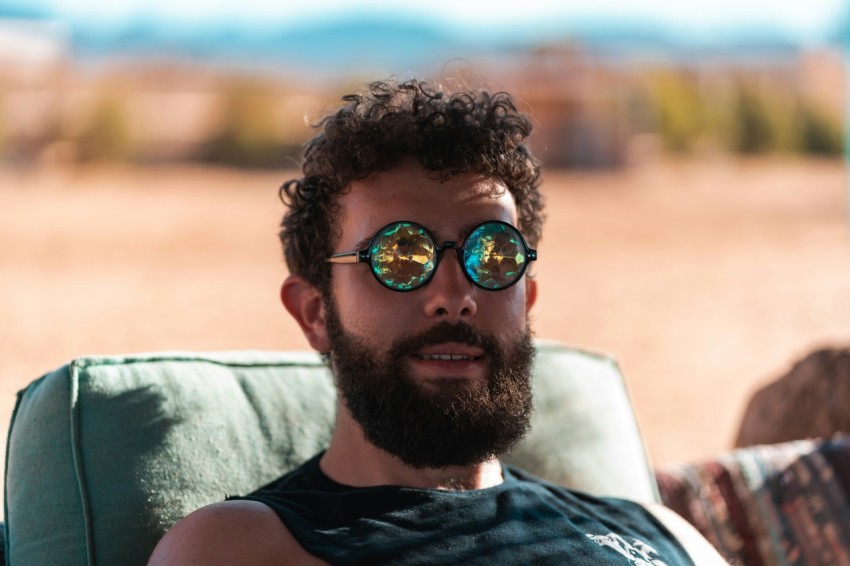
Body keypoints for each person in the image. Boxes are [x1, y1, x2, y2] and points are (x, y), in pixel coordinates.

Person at [149, 78, 725, 565]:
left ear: (527, 298)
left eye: (493, 255)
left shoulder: (656, 532)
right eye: (401, 256)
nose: (455, 296)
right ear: (315, 312)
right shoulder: (250, 544)